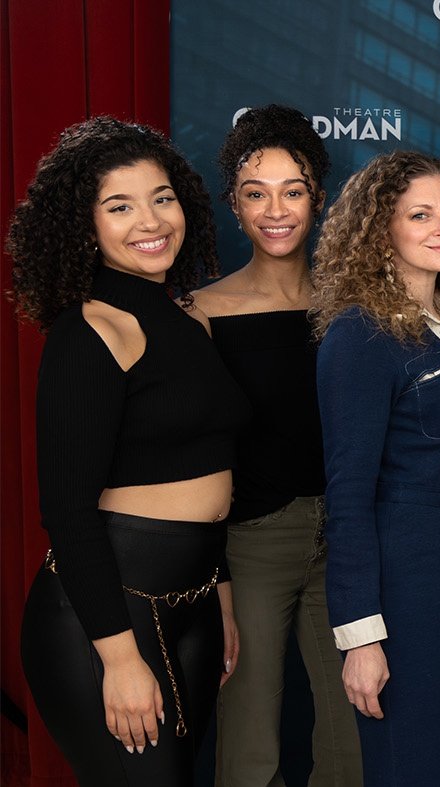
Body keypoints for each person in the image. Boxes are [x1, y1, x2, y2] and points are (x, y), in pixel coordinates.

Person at [11, 117, 245, 784]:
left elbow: (208, 458)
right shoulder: (89, 329)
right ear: (85, 226)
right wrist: (117, 657)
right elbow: (67, 509)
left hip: (195, 603)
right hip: (108, 613)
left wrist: (220, 591)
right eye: (120, 206)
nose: (150, 220)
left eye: (161, 197)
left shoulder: (184, 319)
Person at [312, 150, 440, 786]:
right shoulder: (359, 334)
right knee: (413, 764)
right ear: (380, 230)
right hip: (404, 580)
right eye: (420, 215)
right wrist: (360, 635)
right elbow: (349, 493)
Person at [191, 105, 362, 786]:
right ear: (233, 205)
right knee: (250, 738)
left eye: (292, 190)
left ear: (318, 199)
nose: (276, 209)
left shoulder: (352, 307)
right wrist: (221, 580)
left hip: (347, 537)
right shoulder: (202, 313)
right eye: (256, 193)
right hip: (253, 540)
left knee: (352, 729)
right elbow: (194, 453)